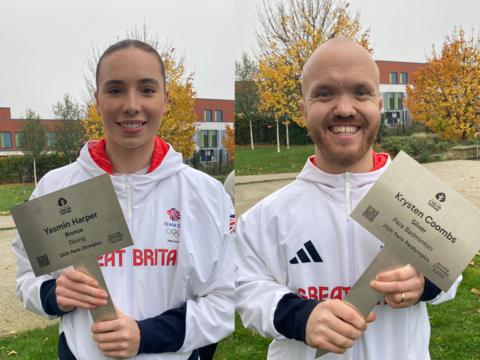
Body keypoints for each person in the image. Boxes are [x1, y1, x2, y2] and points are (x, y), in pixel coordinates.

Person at [235, 37, 461, 360]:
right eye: (325, 93)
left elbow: (453, 275)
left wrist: (425, 282)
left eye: (360, 92)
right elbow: (246, 287)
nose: (344, 109)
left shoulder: (416, 196)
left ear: (378, 106)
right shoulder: (266, 218)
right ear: (303, 109)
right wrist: (300, 317)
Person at [13, 39, 234, 359]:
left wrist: (146, 335)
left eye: (147, 89)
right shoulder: (55, 188)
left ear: (166, 100)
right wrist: (53, 295)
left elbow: (225, 300)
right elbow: (27, 280)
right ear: (97, 100)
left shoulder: (206, 195)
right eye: (115, 90)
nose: (131, 104)